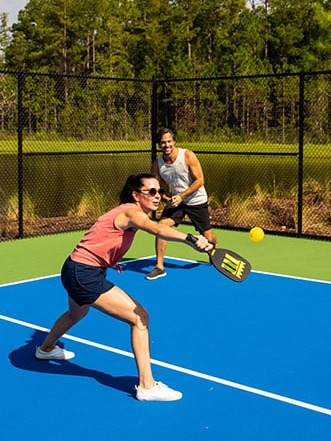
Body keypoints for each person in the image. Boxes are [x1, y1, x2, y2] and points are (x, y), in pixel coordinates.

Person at [35, 173, 212, 402]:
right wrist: (191, 239)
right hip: (84, 274)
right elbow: (157, 229)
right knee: (140, 318)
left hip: (73, 268)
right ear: (136, 195)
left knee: (76, 313)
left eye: (159, 191)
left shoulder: (124, 211)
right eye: (151, 192)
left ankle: (45, 349)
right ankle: (147, 386)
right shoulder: (131, 212)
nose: (157, 196)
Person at [146, 127, 217, 280]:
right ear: (159, 145)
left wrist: (182, 196)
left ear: (174, 141)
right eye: (163, 143)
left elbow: (200, 181)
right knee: (161, 228)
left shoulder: (187, 155)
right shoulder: (157, 164)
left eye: (169, 141)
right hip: (176, 203)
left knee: (208, 236)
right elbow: (156, 188)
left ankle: (215, 250)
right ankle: (159, 266)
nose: (167, 145)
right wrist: (168, 200)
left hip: (196, 201)